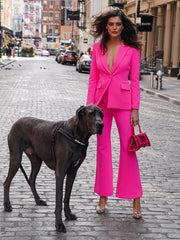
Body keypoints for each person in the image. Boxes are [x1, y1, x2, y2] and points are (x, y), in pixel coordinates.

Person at [86, 8, 143, 219]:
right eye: (111, 24)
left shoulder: (132, 50)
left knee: (129, 149)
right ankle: (103, 195)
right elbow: (93, 79)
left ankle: (135, 197)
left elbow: (135, 81)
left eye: (118, 24)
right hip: (101, 105)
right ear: (106, 26)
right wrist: (89, 108)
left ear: (123, 26)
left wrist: (135, 109)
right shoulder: (97, 48)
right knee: (102, 149)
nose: (114, 28)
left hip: (124, 104)